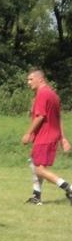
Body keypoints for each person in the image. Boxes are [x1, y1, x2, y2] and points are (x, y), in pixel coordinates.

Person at [22, 69, 72, 205]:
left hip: (45, 136)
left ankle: (69, 188)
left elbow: (40, 116)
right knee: (34, 164)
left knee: (39, 168)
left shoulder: (42, 94)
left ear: (40, 79)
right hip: (50, 135)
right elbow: (58, 118)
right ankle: (36, 196)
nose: (28, 83)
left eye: (31, 79)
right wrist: (63, 138)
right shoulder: (53, 95)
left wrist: (28, 133)